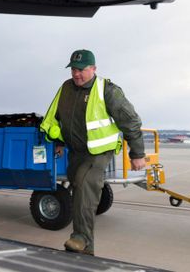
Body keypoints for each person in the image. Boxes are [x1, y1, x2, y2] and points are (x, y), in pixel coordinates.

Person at [40, 49, 146, 256]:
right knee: (78, 185)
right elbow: (56, 116)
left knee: (85, 183)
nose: (76, 74)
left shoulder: (107, 90)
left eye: (81, 69)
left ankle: (81, 237)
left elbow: (131, 121)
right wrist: (58, 141)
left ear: (94, 68)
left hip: (99, 152)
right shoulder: (66, 88)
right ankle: (86, 253)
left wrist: (137, 154)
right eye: (73, 70)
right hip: (76, 152)